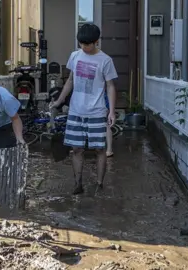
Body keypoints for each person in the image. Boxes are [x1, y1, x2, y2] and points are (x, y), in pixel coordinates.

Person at [50, 23, 117, 195]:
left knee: (99, 149)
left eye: (88, 44)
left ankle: (99, 183)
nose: (85, 47)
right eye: (82, 44)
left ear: (96, 42)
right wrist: (60, 100)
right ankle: (78, 184)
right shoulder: (75, 56)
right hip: (76, 111)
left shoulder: (105, 60)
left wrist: (111, 111)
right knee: (77, 149)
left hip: (97, 110)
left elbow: (110, 86)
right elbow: (70, 80)